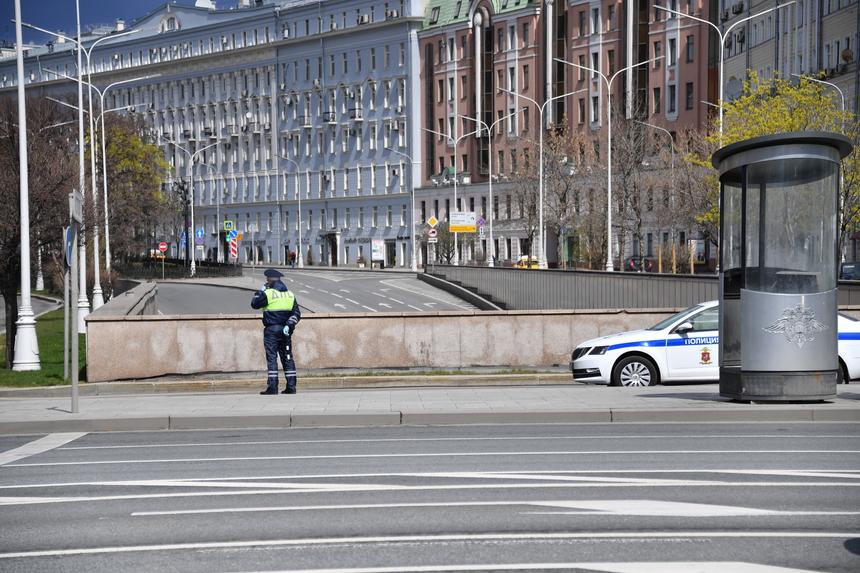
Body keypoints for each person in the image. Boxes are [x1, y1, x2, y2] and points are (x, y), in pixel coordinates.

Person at [251, 268, 301, 394]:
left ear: (269, 280)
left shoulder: (268, 294)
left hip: (271, 330)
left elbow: (254, 304)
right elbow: (296, 313)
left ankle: (273, 387)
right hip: (286, 330)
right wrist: (289, 325)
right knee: (288, 357)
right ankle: (291, 386)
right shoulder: (290, 294)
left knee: (272, 357)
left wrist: (260, 292)